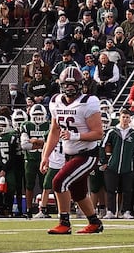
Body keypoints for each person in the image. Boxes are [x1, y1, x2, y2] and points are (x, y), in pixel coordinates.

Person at [42, 67, 106, 235]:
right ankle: (94, 222)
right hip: (69, 154)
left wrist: (75, 136)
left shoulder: (89, 101)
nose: (70, 88)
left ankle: (64, 222)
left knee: (59, 182)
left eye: (73, 84)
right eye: (66, 84)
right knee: (78, 193)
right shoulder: (55, 101)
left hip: (87, 154)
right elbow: (54, 130)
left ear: (81, 85)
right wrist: (46, 155)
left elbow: (99, 134)